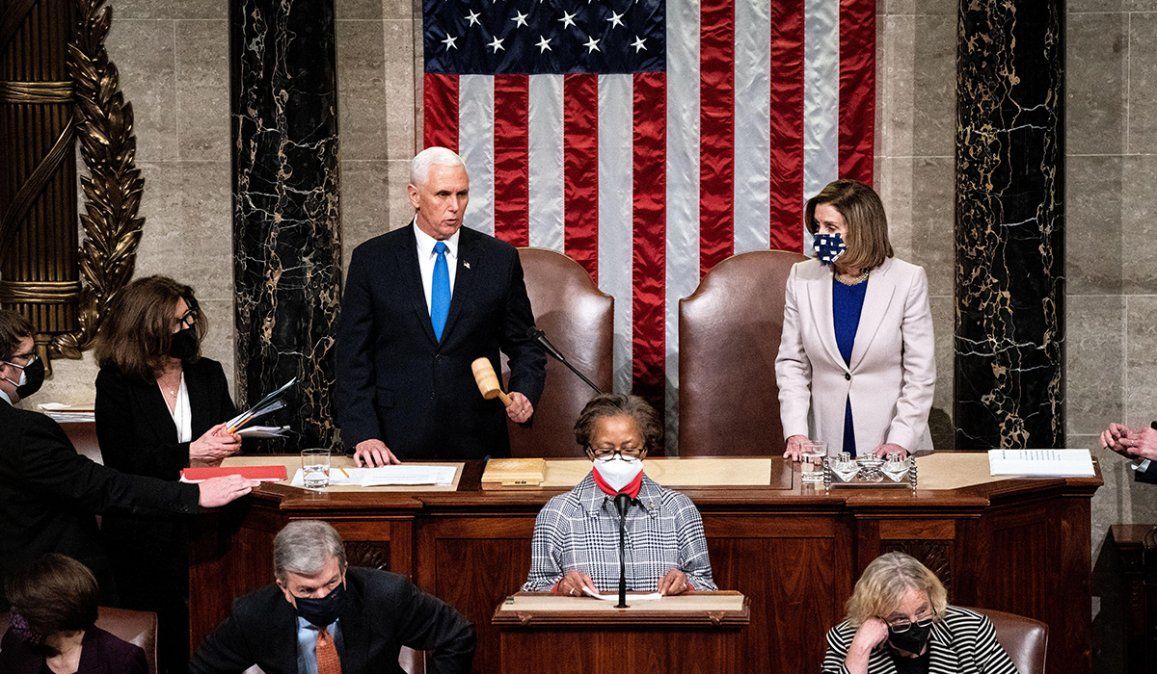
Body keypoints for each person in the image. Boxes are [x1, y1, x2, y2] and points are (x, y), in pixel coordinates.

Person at [0, 309, 258, 609]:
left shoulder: (206, 373)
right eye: (26, 357)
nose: (35, 364)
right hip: (46, 589)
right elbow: (99, 486)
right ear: (3, 368)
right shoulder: (22, 431)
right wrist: (194, 495)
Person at [335, 146, 546, 465]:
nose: (455, 206)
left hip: (476, 440)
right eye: (443, 194)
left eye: (462, 194)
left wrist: (524, 390)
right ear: (414, 195)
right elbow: (352, 358)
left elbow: (525, 344)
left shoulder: (498, 259)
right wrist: (364, 433)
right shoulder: (373, 260)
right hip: (393, 444)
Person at [92, 276, 242, 673]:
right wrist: (189, 452)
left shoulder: (208, 373)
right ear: (147, 329)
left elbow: (226, 428)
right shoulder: (117, 381)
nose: (188, 327)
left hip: (207, 524)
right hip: (144, 530)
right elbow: (122, 460)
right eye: (177, 322)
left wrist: (230, 441)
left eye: (189, 317)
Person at [776, 179, 935, 460]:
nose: (819, 235)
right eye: (817, 226)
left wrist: (900, 441)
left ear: (861, 230)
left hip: (891, 442)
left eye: (830, 228)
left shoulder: (907, 280)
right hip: (825, 441)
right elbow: (792, 364)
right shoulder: (802, 277)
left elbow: (920, 373)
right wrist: (796, 432)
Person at [189, 520, 475, 674]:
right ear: (283, 587)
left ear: (344, 570)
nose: (323, 596)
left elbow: (457, 634)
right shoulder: (254, 614)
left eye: (331, 583)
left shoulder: (386, 595)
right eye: (307, 590)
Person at [522, 394, 717, 596]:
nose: (617, 458)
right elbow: (533, 591)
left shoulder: (679, 509)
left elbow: (707, 586)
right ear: (590, 452)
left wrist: (687, 585)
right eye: (605, 450)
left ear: (644, 450)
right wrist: (560, 587)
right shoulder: (557, 513)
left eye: (629, 449)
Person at [822, 552, 1017, 674]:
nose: (915, 624)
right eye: (900, 618)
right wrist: (861, 649)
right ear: (873, 614)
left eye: (922, 611)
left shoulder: (970, 631)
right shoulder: (848, 640)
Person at [0, 553, 147, 674]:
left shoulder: (121, 660)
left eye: (24, 609)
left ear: (53, 614)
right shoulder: (15, 644)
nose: (15, 617)